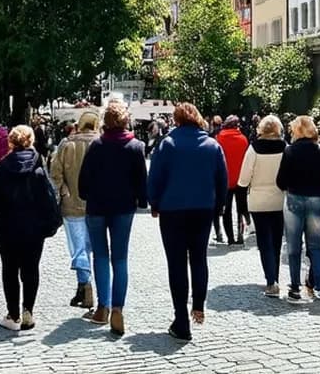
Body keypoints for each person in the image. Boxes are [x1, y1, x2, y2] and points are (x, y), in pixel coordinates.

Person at [146, 103, 228, 341]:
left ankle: (181, 318)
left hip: (173, 210)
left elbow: (155, 176)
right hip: (203, 209)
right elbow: (222, 179)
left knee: (177, 263)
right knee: (199, 258)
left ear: (177, 120)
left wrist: (154, 203)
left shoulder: (168, 144)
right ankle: (199, 306)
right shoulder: (212, 145)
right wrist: (219, 206)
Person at [78, 100, 148, 335]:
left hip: (97, 207)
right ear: (126, 120)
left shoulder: (97, 145)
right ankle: (118, 307)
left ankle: (103, 307)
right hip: (123, 208)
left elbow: (83, 179)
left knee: (100, 255)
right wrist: (142, 201)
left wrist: (85, 195)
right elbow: (141, 181)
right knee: (120, 259)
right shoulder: (136, 146)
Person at [0, 125, 59, 333]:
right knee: (31, 269)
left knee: (10, 270)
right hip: (34, 229)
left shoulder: (1, 170)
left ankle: (13, 314)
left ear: (11, 143)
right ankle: (28, 312)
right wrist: (51, 224)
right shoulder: (39, 170)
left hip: (7, 227)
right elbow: (50, 200)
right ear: (31, 141)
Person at [276, 115, 320, 305]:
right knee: (315, 247)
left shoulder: (290, 151)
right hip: (316, 199)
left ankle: (295, 287)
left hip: (294, 198)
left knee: (294, 246)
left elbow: (280, 180)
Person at [50, 110, 97, 312]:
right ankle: (88, 286)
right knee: (93, 248)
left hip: (72, 204)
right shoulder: (100, 144)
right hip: (96, 204)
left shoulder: (66, 144)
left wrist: (63, 189)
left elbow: (55, 171)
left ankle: (84, 285)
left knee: (78, 248)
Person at [238, 114, 287, 297]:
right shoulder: (285, 147)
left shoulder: (254, 148)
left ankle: (270, 280)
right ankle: (275, 275)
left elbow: (243, 179)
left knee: (264, 241)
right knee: (276, 241)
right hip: (279, 198)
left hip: (258, 200)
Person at [216, 115, 250, 246]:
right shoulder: (243, 140)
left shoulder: (219, 138)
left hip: (225, 179)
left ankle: (230, 238)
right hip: (241, 179)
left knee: (227, 210)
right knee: (241, 207)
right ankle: (240, 234)